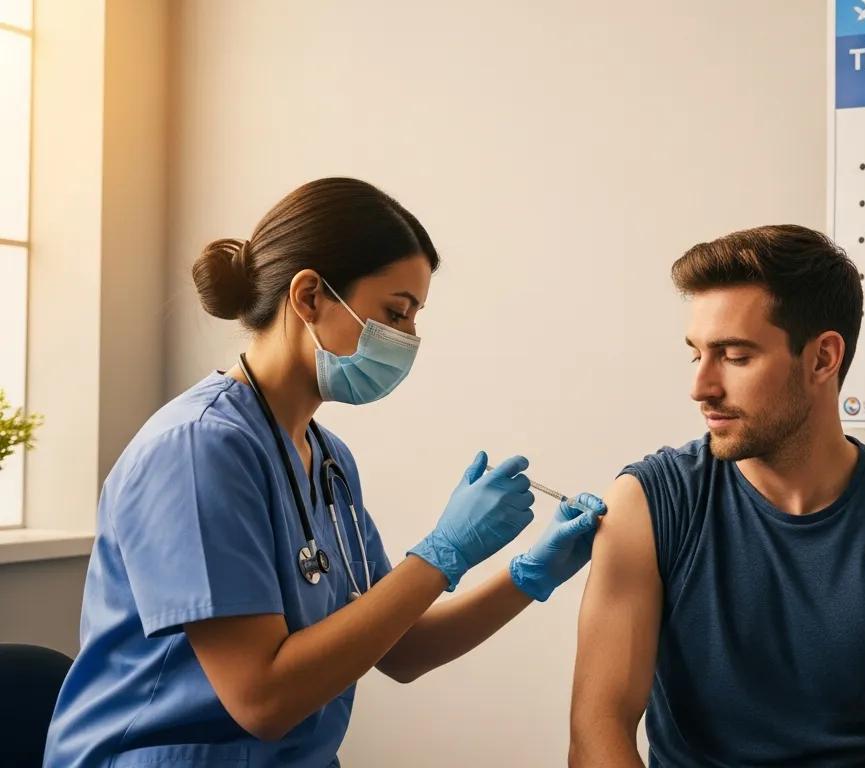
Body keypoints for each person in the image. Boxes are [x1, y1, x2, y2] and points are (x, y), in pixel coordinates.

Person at [44, 178, 604, 767]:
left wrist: (530, 574)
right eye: (396, 312)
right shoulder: (196, 450)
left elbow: (402, 648)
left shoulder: (327, 460)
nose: (409, 339)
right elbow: (262, 699)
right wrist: (442, 553)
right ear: (309, 296)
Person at [570, 225, 865, 767]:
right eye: (696, 353)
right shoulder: (650, 503)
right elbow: (595, 731)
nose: (701, 386)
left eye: (735, 356)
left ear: (822, 359)